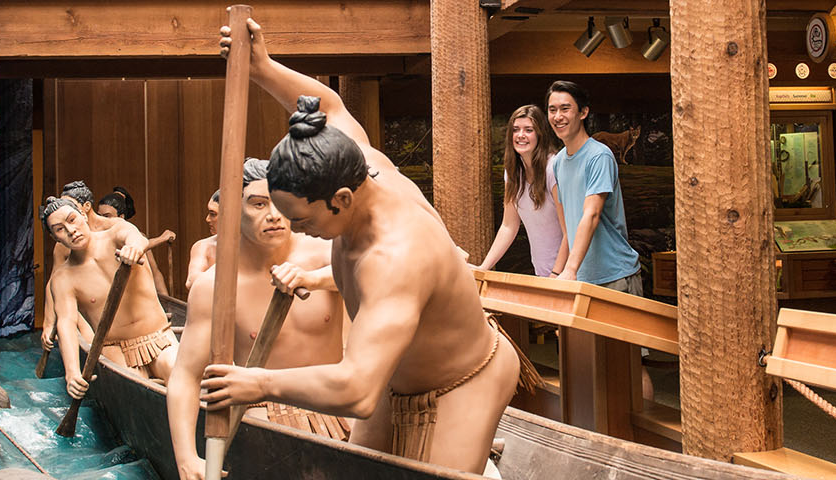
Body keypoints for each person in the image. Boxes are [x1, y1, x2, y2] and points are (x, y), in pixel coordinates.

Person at [201, 20, 533, 474]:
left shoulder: (395, 256)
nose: (294, 230)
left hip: (464, 377)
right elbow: (329, 105)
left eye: (303, 219)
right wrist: (261, 67)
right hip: (391, 376)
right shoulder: (354, 158)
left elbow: (356, 390)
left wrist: (259, 382)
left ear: (341, 200)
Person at [169, 159, 350, 480]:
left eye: (281, 202)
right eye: (258, 204)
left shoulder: (326, 252)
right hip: (267, 419)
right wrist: (186, 457)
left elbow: (381, 275)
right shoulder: (214, 286)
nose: (274, 215)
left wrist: (316, 279)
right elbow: (185, 376)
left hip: (339, 409)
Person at [42, 195, 178, 399]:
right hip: (115, 349)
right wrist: (72, 373)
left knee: (178, 373)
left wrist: (134, 248)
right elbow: (66, 324)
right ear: (55, 238)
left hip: (158, 337)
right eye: (60, 229)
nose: (71, 231)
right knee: (134, 393)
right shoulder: (63, 278)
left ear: (83, 215)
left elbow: (135, 237)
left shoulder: (116, 233)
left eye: (72, 220)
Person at [545, 80, 643, 293]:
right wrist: (557, 272)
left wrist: (570, 270)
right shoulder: (559, 162)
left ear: (583, 113)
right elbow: (569, 226)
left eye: (565, 108)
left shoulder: (599, 156)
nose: (557, 116)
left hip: (615, 278)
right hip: (581, 278)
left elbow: (591, 214)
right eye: (552, 110)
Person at [475, 105, 568, 277]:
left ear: (540, 134)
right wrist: (483, 268)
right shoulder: (512, 173)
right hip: (543, 273)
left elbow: (569, 230)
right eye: (516, 130)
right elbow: (508, 226)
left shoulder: (553, 168)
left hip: (565, 276)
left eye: (529, 130)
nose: (521, 135)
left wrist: (556, 275)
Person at [186, 191, 221, 290]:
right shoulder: (203, 246)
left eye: (213, 214)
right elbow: (192, 282)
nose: (207, 219)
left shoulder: (257, 247)